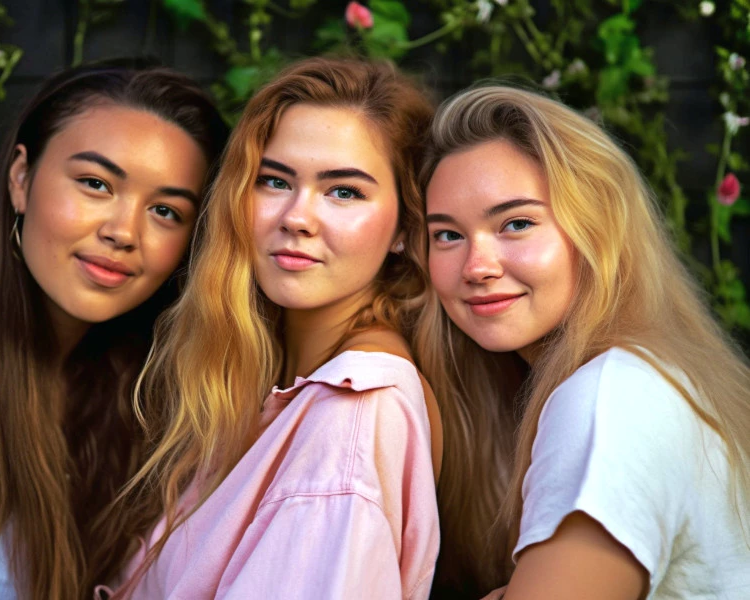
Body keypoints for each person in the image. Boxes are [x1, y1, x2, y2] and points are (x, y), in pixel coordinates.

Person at [0, 59, 228, 599]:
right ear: (22, 179)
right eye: (96, 183)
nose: (124, 232)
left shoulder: (134, 378)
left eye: (166, 211)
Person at [100, 57, 443, 599]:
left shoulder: (351, 414)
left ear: (405, 226)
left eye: (344, 191)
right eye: (274, 180)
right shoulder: (276, 382)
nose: (296, 217)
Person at [416, 84, 750, 599]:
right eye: (447, 235)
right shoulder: (648, 378)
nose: (476, 267)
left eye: (517, 223)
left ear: (597, 229)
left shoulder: (609, 400)